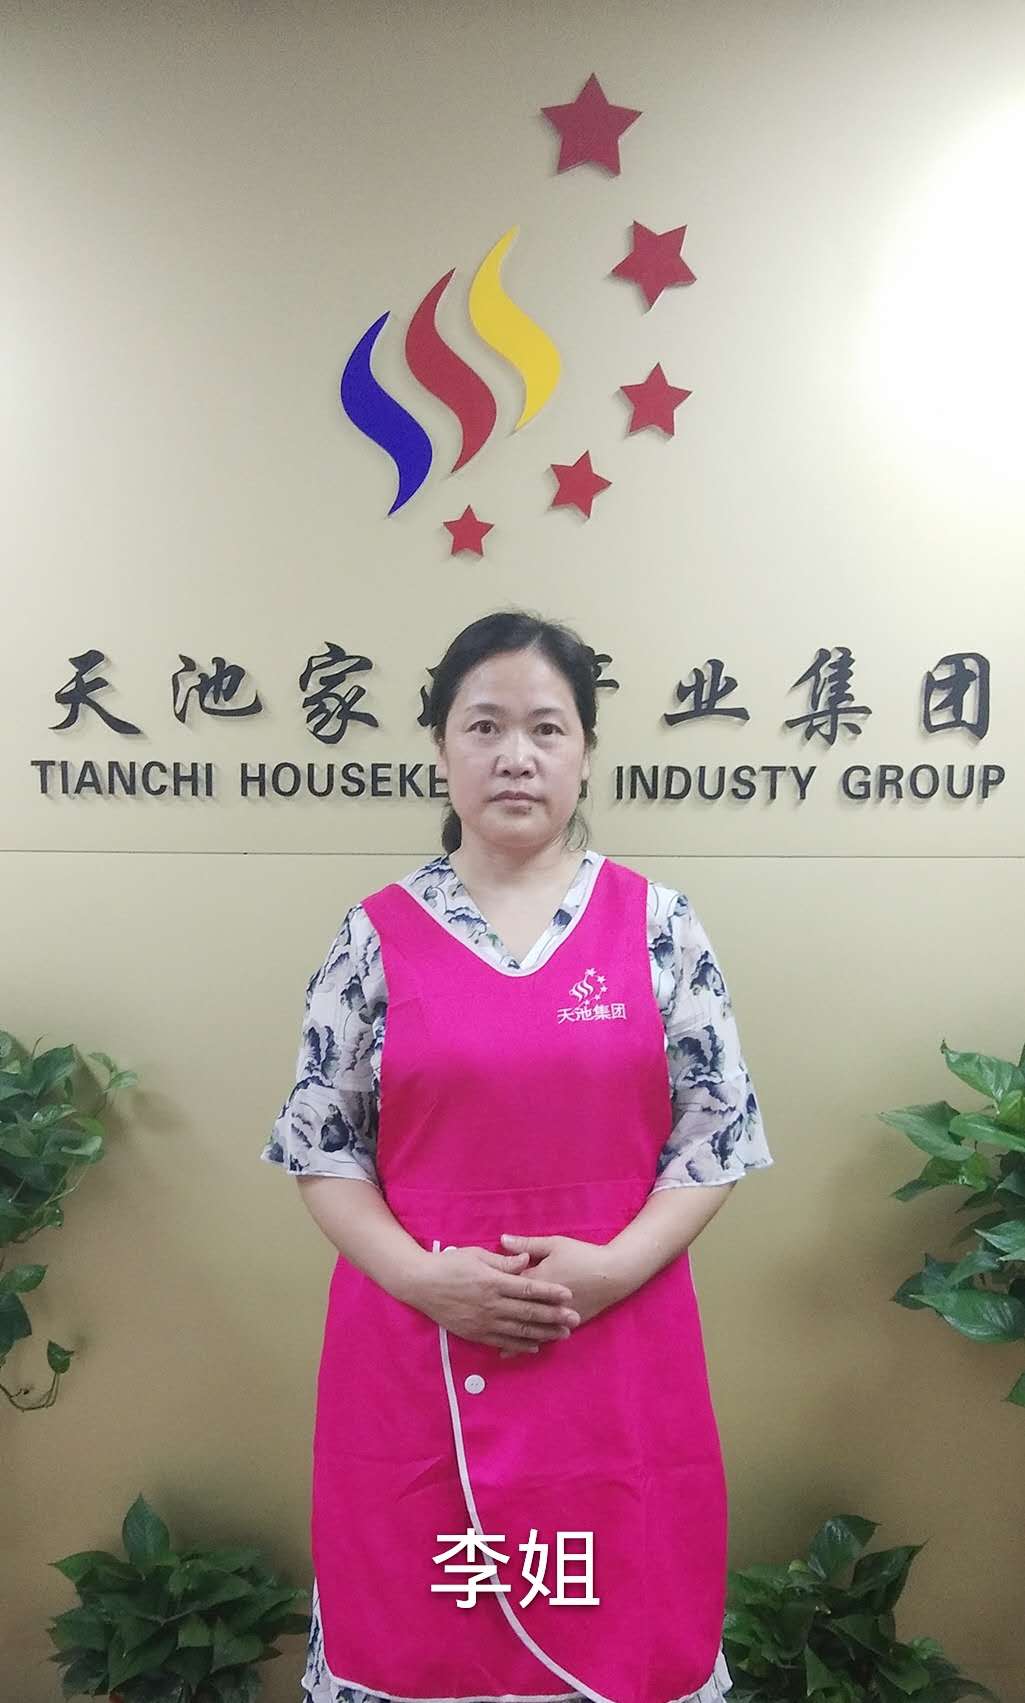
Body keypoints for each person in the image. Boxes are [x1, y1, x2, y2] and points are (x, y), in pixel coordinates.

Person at [261, 608, 774, 1703]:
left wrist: (611, 1267)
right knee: (420, 1634)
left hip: (613, 1344)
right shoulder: (373, 934)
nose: (514, 754)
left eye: (546, 727)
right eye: (483, 725)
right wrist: (422, 1279)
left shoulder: (658, 925)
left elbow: (714, 1134)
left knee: (619, 1625)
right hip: (415, 1349)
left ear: (584, 750)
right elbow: (323, 1146)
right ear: (440, 745)